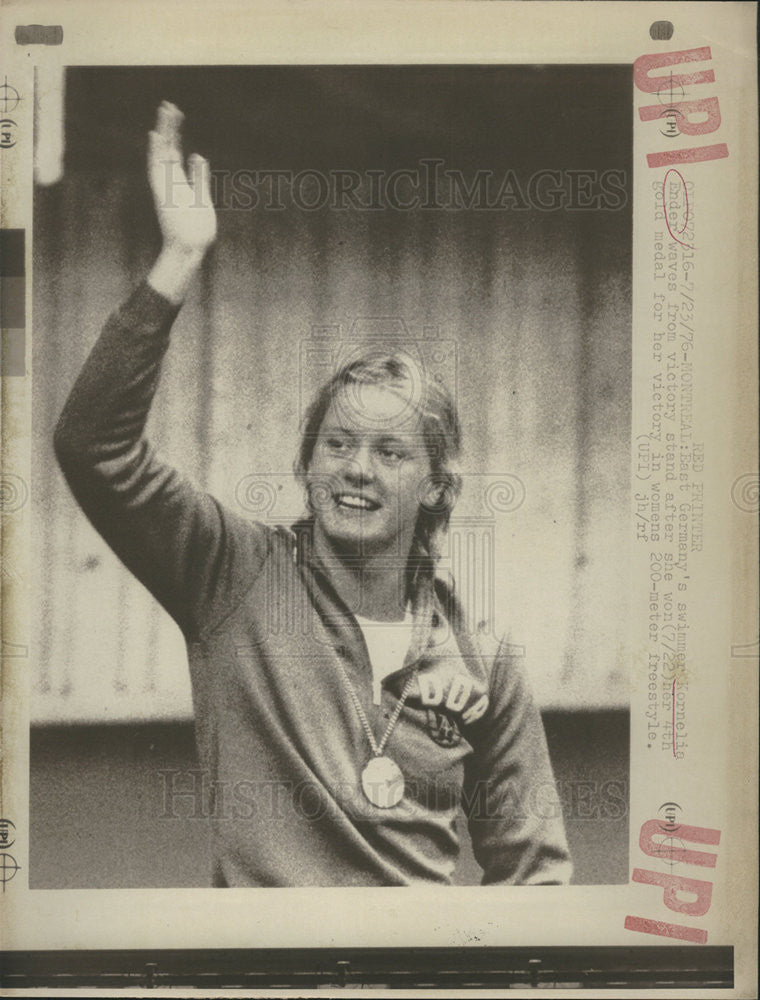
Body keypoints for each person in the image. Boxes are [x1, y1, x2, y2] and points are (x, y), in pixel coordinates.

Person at [54, 102, 572, 887]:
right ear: (306, 463)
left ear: (436, 484)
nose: (355, 469)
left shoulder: (485, 659)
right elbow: (93, 446)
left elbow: (535, 880)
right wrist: (178, 261)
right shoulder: (231, 573)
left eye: (390, 452)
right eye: (336, 444)